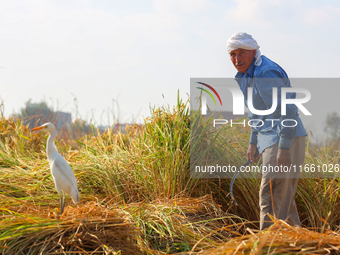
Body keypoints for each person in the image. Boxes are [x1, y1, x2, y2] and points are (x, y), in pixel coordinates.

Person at [226, 32, 307, 230]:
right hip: (273, 139)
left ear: (254, 51)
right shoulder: (246, 75)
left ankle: (269, 248)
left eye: (242, 53)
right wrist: (254, 141)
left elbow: (287, 108)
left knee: (270, 196)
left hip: (284, 138)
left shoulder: (265, 73)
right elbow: (257, 111)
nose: (237, 59)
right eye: (233, 54)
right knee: (283, 201)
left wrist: (284, 147)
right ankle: (301, 248)